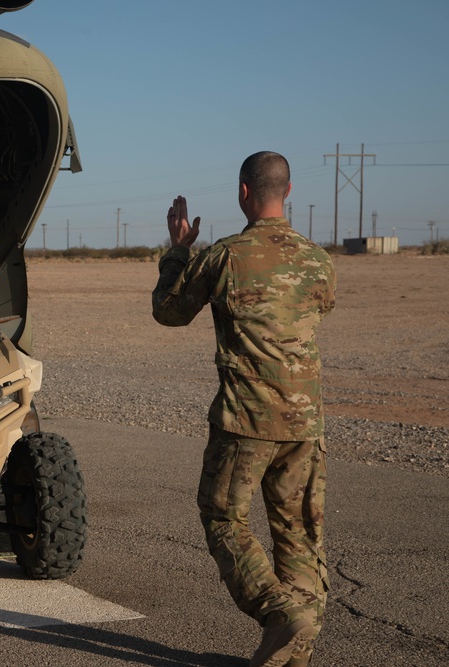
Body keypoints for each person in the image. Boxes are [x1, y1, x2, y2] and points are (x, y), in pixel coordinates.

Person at [151, 152, 336, 667]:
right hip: (305, 424)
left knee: (223, 517)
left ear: (242, 193)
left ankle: (280, 616)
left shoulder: (226, 255)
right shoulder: (319, 259)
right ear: (290, 190)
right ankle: (298, 652)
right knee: (298, 531)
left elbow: (168, 312)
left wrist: (177, 253)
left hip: (247, 421)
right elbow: (318, 308)